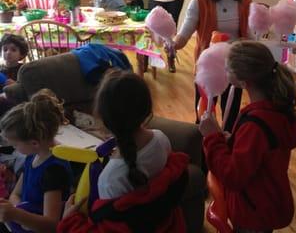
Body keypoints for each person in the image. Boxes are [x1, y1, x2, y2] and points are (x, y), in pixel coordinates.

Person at [59, 70, 189, 232]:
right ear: (147, 109)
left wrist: (70, 221)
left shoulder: (110, 178)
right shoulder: (161, 139)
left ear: (104, 120)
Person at [199, 41, 296, 233]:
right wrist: (232, 141)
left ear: (244, 82)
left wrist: (212, 138)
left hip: (252, 210)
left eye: (227, 68)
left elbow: (233, 176)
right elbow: (262, 153)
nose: (224, 70)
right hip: (269, 198)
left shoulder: (255, 125)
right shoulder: (277, 110)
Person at [174, 0, 252, 129]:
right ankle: (202, 148)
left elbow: (250, 37)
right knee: (203, 113)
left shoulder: (245, 2)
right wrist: (174, 44)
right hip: (207, 66)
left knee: (230, 115)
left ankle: (227, 147)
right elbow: (184, 34)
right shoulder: (200, 1)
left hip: (234, 65)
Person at [0, 89, 72, 233]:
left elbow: (52, 225)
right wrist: (18, 210)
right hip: (24, 221)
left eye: (15, 145)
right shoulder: (32, 156)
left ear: (34, 143)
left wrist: (17, 214)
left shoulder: (53, 170)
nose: (15, 148)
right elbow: (15, 194)